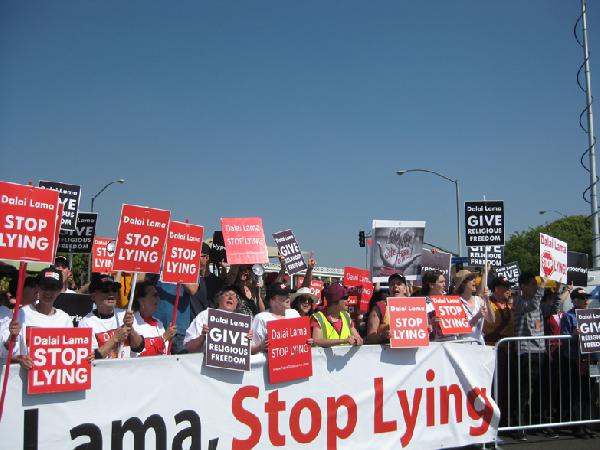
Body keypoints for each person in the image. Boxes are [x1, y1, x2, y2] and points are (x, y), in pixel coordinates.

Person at [1, 268, 74, 368]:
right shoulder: (22, 314)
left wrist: (88, 356)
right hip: (25, 379)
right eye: (44, 287)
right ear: (38, 288)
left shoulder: (65, 319)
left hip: (54, 379)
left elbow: (72, 354)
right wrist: (12, 339)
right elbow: (5, 353)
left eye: (53, 288)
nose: (48, 292)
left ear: (59, 290)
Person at [512, 272, 555, 440]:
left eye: (536, 284)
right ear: (523, 285)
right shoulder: (519, 301)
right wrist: (542, 287)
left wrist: (557, 291)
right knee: (523, 391)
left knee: (542, 389)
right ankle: (519, 426)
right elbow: (532, 305)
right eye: (532, 283)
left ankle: (540, 422)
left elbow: (550, 307)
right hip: (525, 352)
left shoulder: (537, 301)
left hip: (540, 351)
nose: (535, 286)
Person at [78, 274, 144, 359]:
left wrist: (130, 329)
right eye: (105, 290)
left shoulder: (125, 315)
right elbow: (92, 358)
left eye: (114, 290)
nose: (111, 294)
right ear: (93, 296)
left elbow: (139, 347)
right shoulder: (86, 323)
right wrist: (115, 338)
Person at [560, 287, 596, 439]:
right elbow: (563, 337)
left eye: (586, 298)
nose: (586, 300)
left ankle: (587, 425)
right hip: (575, 359)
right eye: (582, 298)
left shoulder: (593, 315)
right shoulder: (568, 316)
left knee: (589, 392)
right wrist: (573, 335)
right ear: (574, 300)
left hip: (591, 358)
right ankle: (577, 426)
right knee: (577, 393)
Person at [184, 288, 252, 353]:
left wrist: (248, 343)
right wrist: (202, 337)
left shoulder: (243, 324)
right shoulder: (206, 315)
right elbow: (188, 348)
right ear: (219, 299)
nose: (231, 297)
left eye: (235, 296)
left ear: (237, 304)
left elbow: (251, 354)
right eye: (227, 295)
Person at [251, 283, 300, 354]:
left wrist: (308, 341)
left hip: (293, 362)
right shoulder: (261, 318)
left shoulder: (294, 314)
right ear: (272, 299)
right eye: (284, 295)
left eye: (288, 294)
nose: (288, 297)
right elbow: (251, 348)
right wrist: (261, 346)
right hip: (269, 364)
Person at [131, 282, 177, 356]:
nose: (158, 299)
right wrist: (163, 338)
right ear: (141, 301)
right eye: (154, 296)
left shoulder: (159, 324)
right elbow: (140, 357)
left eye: (158, 296)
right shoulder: (132, 324)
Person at [311, 282, 363, 347]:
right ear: (335, 300)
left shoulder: (346, 316)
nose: (349, 300)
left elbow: (360, 339)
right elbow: (316, 341)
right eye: (345, 297)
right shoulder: (318, 318)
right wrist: (343, 341)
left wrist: (358, 341)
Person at [454, 269, 494, 345]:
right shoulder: (455, 303)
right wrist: (476, 317)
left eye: (474, 278)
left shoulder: (479, 300)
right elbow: (457, 332)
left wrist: (487, 301)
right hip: (462, 347)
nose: (474, 280)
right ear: (463, 283)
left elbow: (492, 320)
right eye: (471, 278)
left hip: (479, 345)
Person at [366, 274, 408, 344]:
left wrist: (428, 329)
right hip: (386, 352)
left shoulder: (416, 306)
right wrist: (383, 336)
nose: (395, 286)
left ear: (405, 289)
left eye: (399, 284)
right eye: (392, 284)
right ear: (389, 289)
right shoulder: (380, 307)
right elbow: (370, 338)